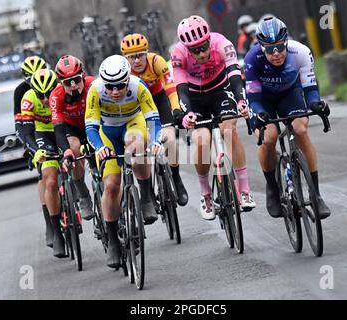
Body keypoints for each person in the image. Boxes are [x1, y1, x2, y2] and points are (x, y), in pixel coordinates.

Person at [242, 16, 331, 220]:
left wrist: (315, 103)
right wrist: (258, 113)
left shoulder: (300, 52)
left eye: (280, 47)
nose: (276, 54)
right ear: (261, 46)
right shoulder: (251, 59)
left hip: (289, 95)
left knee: (300, 129)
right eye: (270, 49)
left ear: (286, 41)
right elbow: (253, 97)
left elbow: (310, 88)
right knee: (269, 138)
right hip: (262, 100)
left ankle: (315, 195)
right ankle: (273, 189)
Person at [171, 15, 256, 221]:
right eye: (195, 49)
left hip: (221, 91)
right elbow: (181, 90)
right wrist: (187, 114)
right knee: (202, 141)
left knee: (229, 130)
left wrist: (241, 101)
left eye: (203, 46)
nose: (201, 53)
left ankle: (244, 190)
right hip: (194, 97)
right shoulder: (178, 54)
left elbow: (235, 77)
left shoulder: (222, 44)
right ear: (186, 48)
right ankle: (206, 194)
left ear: (209, 39)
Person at [85, 55, 163, 268]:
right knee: (111, 186)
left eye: (120, 85)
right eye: (110, 87)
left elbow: (153, 119)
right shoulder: (95, 90)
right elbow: (91, 128)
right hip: (107, 131)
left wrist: (156, 141)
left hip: (132, 123)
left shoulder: (139, 86)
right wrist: (100, 148)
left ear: (128, 79)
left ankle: (146, 197)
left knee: (135, 144)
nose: (115, 91)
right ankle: (112, 241)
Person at [120, 33, 189, 206]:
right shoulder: (123, 71)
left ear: (146, 53)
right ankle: (148, 192)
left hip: (158, 101)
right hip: (136, 107)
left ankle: (176, 178)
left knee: (170, 140)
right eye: (131, 57)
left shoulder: (156, 62)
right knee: (140, 147)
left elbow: (171, 89)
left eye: (140, 55)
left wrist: (176, 109)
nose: (136, 61)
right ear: (125, 58)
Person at [21, 69, 67, 257]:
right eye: (41, 95)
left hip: (63, 130)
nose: (46, 99)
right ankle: (57, 232)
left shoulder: (64, 92)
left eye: (49, 93)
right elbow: (26, 132)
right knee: (49, 181)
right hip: (44, 135)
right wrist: (35, 150)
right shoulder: (28, 99)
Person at [14, 56, 55, 248]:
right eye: (30, 78)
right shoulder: (22, 93)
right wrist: (32, 149)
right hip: (36, 131)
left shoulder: (54, 86)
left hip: (58, 129)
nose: (35, 79)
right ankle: (50, 223)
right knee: (44, 176)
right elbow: (22, 127)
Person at [50, 55, 96, 220]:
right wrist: (66, 151)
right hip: (72, 128)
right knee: (74, 149)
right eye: (67, 82)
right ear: (61, 83)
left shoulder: (93, 84)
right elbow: (59, 130)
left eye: (76, 80)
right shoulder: (56, 96)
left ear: (83, 75)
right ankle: (83, 195)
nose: (74, 85)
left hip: (93, 122)